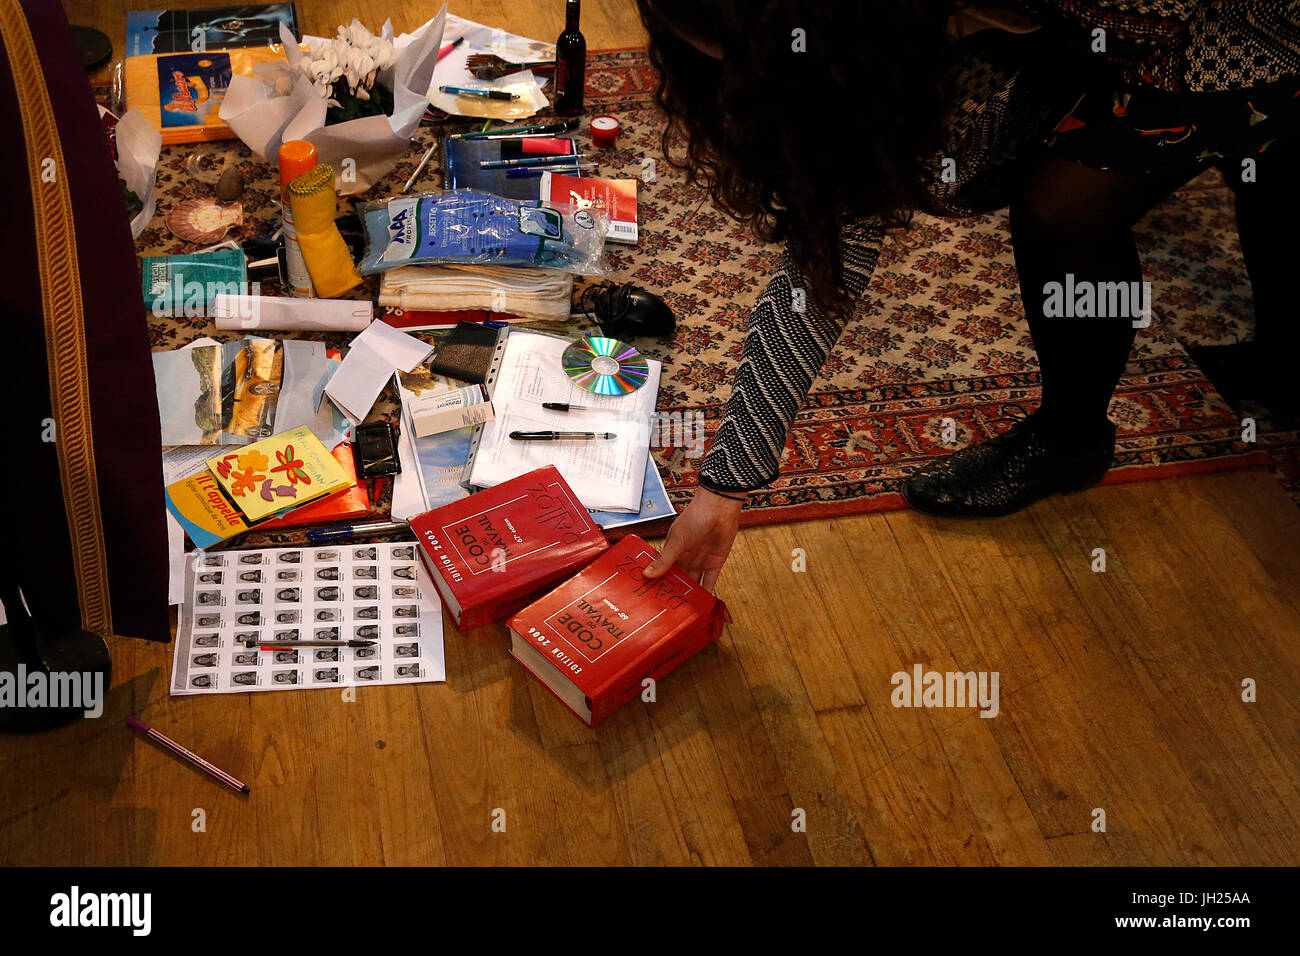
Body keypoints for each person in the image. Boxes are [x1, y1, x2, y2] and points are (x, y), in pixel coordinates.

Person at [639, 0, 1300, 592]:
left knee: (1066, 209)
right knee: (1267, 166)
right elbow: (833, 246)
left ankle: (1070, 439)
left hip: (1229, 31)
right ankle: (1283, 367)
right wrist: (728, 479)